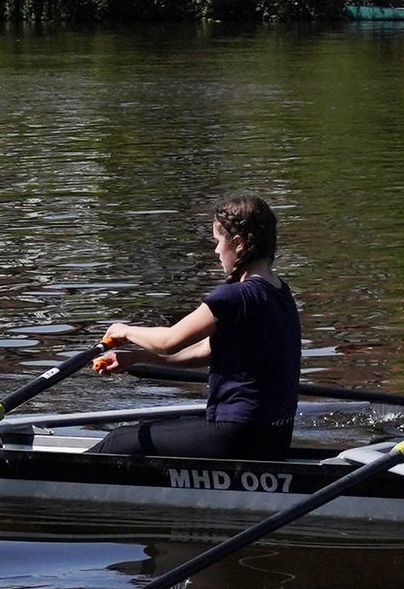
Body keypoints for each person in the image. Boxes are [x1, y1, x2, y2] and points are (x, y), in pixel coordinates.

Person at [94, 195, 302, 462]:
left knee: (121, 439)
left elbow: (170, 340)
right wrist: (138, 357)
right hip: (274, 439)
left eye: (218, 242)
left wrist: (125, 331)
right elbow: (207, 351)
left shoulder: (234, 296)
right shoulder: (281, 293)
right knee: (176, 426)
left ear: (237, 244)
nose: (216, 251)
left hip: (236, 435)